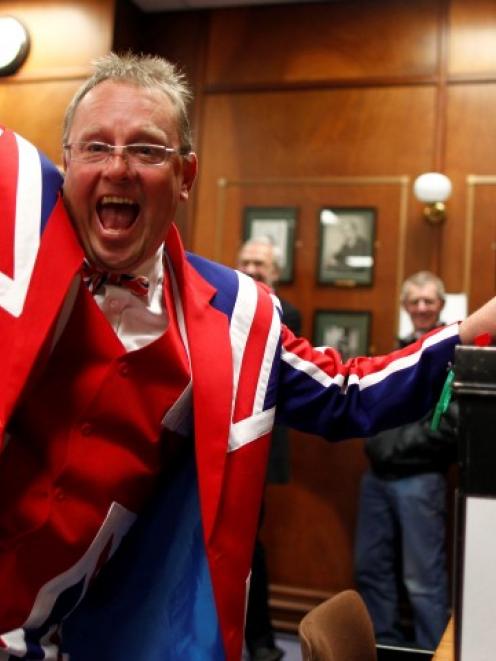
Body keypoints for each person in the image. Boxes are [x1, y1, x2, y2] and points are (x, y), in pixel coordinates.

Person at [0, 52, 495, 660]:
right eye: (95, 147)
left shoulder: (238, 316)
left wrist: (477, 329)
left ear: (185, 176)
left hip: (85, 634)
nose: (119, 167)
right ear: (66, 162)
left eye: (148, 151)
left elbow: (348, 394)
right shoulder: (13, 246)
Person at [354, 271, 459, 650]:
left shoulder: (454, 352)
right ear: (404, 306)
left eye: (429, 301)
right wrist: (380, 448)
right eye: (414, 301)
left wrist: (391, 448)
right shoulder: (395, 350)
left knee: (423, 581)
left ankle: (436, 653)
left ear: (441, 306)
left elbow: (450, 425)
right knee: (371, 569)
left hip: (420, 480)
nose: (421, 308)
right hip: (376, 479)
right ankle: (385, 647)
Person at [237, 236, 302, 661]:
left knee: (246, 545)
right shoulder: (223, 303)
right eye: (246, 261)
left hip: (255, 449)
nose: (253, 269)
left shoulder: (286, 314)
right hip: (208, 445)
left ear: (274, 273)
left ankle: (260, 643)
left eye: (261, 264)